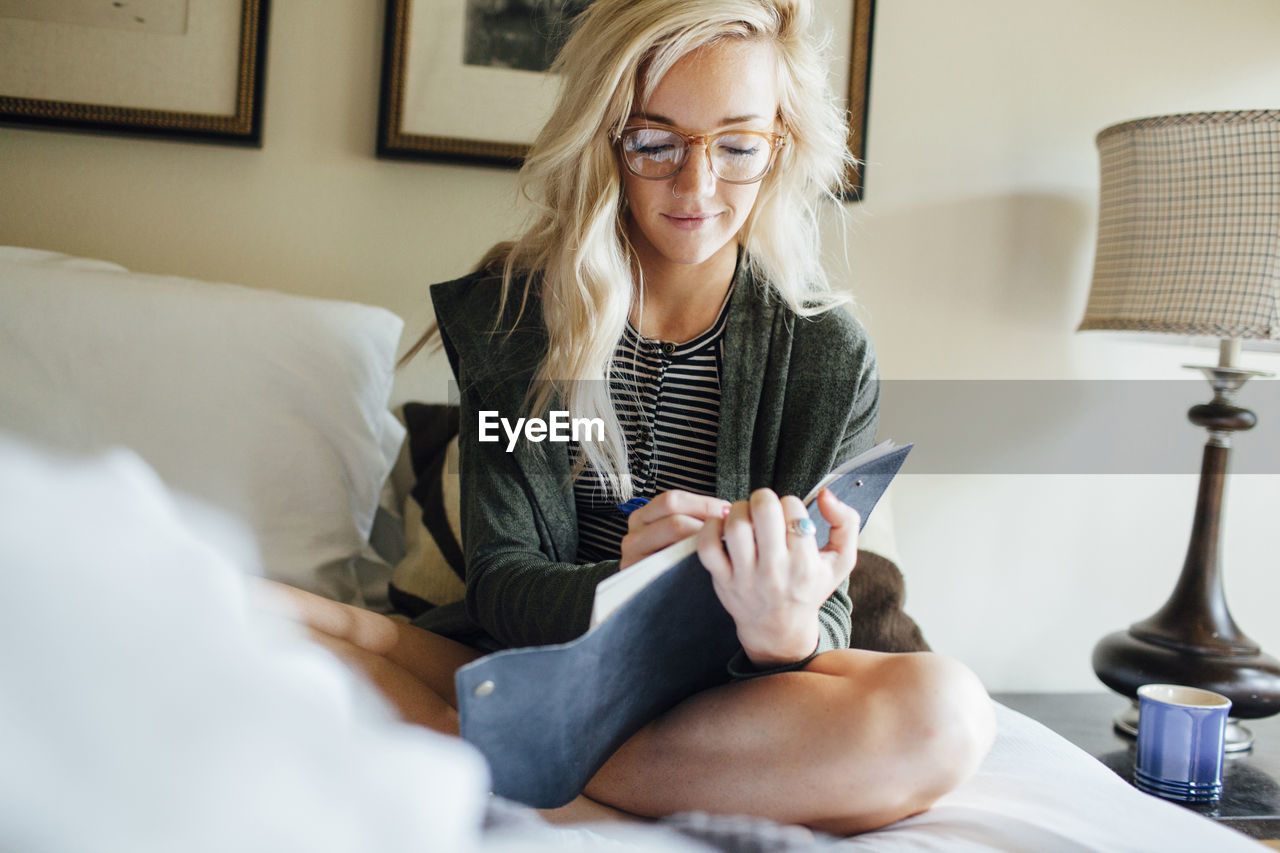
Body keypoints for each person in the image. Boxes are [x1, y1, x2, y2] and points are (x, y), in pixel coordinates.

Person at [276, 0, 995, 834]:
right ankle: (530, 748)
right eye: (655, 142)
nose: (696, 187)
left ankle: (510, 755)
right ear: (603, 135)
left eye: (736, 146)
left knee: (948, 710)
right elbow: (502, 581)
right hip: (531, 668)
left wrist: (779, 621)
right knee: (258, 606)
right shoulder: (517, 324)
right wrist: (625, 585)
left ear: (782, 144)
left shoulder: (824, 353)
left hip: (725, 707)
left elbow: (825, 623)